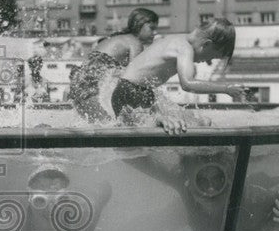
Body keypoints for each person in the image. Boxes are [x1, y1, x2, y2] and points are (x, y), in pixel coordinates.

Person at [111, 17, 248, 135]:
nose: (208, 61)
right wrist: (226, 88)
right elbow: (187, 84)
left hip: (134, 92)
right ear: (206, 45)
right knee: (174, 126)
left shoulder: (177, 39)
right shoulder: (184, 48)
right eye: (212, 56)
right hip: (129, 93)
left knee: (201, 122)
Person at [68, 8, 159, 122]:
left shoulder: (119, 38)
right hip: (88, 86)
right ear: (139, 25)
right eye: (152, 28)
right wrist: (156, 110)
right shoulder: (135, 43)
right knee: (109, 127)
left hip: (78, 84)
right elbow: (137, 78)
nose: (155, 33)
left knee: (102, 125)